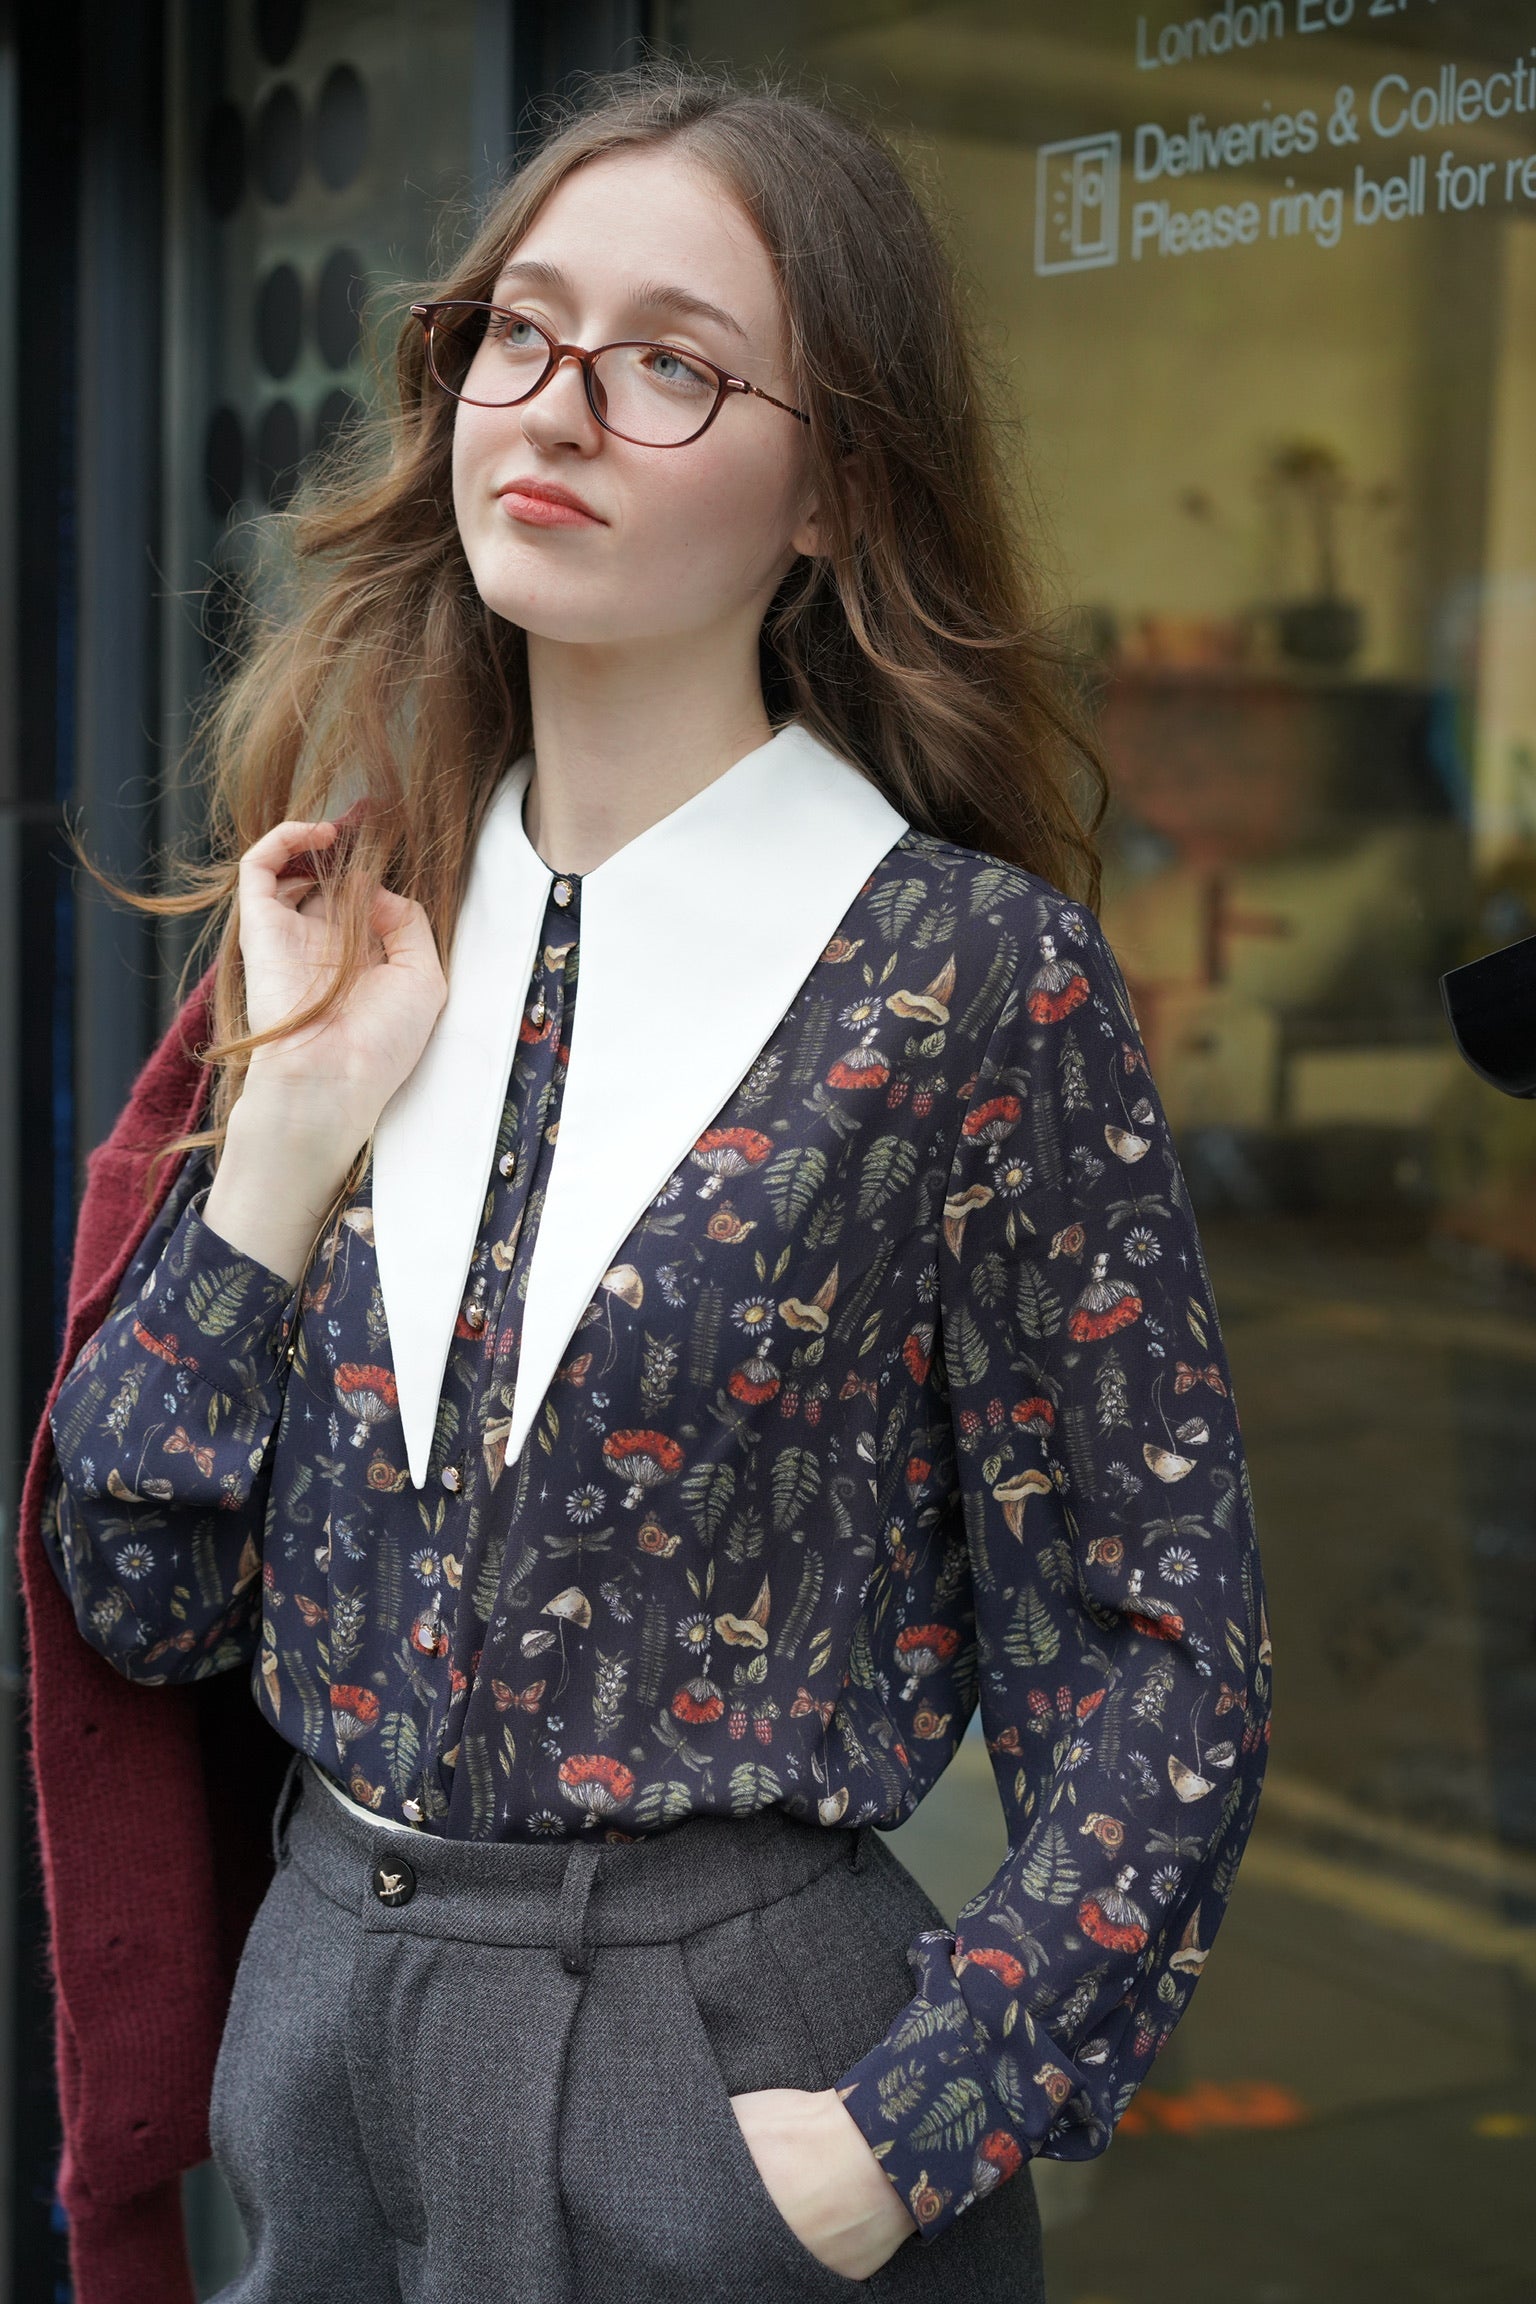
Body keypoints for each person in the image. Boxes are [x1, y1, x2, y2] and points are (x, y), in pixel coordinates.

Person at [34, 59, 1271, 2304]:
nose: (560, 407)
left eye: (673, 366)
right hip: (321, 2040)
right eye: (522, 331)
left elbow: (1157, 1651)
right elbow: (131, 1592)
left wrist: (913, 2129)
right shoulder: (358, 916)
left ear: (834, 489)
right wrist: (289, 1144)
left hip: (733, 2079)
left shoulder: (967, 983)